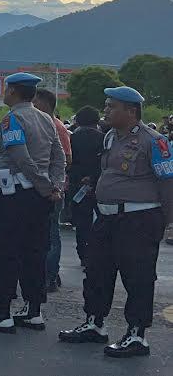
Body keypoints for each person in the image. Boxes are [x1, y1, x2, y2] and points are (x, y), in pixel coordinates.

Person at [59, 86, 173, 357]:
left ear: (131, 111)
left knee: (138, 277)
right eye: (106, 105)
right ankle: (95, 323)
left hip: (138, 219)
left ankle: (136, 335)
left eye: (112, 106)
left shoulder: (153, 141)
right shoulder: (110, 137)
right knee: (96, 271)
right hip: (107, 217)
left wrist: (166, 221)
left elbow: (167, 183)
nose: (106, 110)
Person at [0, 73, 66, 334]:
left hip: (16, 195)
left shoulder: (12, 119)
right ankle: (33, 310)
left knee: (6, 252)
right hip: (40, 198)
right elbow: (59, 158)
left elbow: (21, 158)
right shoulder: (47, 119)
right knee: (35, 252)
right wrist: (54, 186)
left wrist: (45, 186)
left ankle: (2, 313)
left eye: (6, 89)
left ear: (12, 91)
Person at [34, 88, 72, 293]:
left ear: (44, 104)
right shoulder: (40, 123)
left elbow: (66, 158)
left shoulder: (56, 126)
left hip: (53, 189)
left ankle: (49, 276)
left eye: (35, 102)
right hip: (39, 188)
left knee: (51, 233)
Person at [67, 105, 104, 266]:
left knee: (82, 222)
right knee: (103, 219)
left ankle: (83, 254)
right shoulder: (103, 138)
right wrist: (93, 177)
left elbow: (69, 162)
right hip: (99, 184)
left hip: (77, 184)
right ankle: (99, 252)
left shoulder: (72, 138)